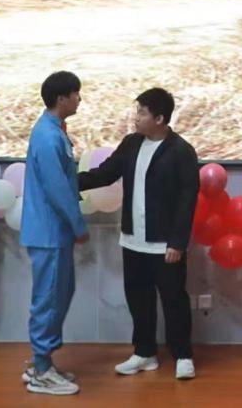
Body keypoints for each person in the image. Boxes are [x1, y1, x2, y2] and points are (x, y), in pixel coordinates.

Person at [78, 87, 200, 380]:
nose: (136, 118)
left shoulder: (181, 151)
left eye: (142, 113)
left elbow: (187, 201)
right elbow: (105, 174)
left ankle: (183, 355)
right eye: (137, 111)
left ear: (159, 118)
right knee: (138, 298)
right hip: (133, 240)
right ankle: (145, 353)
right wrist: (66, 181)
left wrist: (178, 242)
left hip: (165, 244)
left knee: (173, 299)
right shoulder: (131, 143)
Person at [19, 71, 90, 396]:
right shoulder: (48, 136)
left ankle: (42, 363)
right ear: (62, 98)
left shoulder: (54, 130)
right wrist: (78, 225)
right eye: (76, 94)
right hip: (49, 232)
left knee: (59, 294)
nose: (79, 99)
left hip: (53, 232)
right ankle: (41, 370)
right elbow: (58, 189)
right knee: (49, 299)